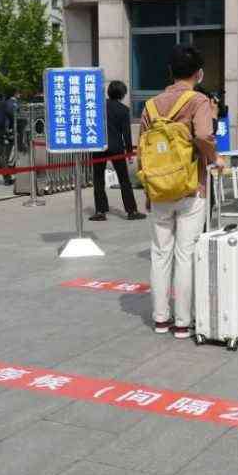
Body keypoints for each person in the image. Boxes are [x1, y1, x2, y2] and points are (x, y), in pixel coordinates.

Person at [142, 44, 219, 339]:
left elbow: (143, 152)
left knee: (160, 254)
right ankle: (183, 323)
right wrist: (215, 158)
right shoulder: (198, 101)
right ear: (198, 73)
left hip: (159, 189)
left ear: (169, 72)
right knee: (185, 255)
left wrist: (148, 191)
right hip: (190, 187)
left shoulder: (150, 105)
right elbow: (203, 135)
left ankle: (161, 319)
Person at [90, 80, 145, 222]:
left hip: (99, 146)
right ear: (122, 94)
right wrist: (128, 152)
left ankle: (100, 211)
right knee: (124, 180)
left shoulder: (98, 107)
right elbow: (126, 133)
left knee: (98, 179)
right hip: (116, 148)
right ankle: (131, 211)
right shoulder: (123, 110)